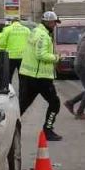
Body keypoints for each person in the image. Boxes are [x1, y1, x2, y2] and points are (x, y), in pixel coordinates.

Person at [19, 11, 63, 141]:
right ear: (49, 22)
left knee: (22, 105)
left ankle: (6, 128)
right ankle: (48, 130)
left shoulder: (35, 32)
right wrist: (56, 58)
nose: (55, 25)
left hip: (28, 75)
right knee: (55, 103)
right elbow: (41, 55)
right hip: (40, 77)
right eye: (54, 23)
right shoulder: (44, 36)